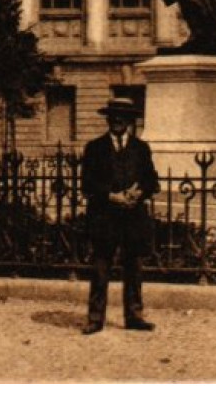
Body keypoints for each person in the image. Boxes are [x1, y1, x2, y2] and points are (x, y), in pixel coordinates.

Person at [81, 98, 160, 334]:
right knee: (100, 268)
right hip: (104, 217)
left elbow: (152, 180)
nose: (117, 120)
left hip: (133, 217)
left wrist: (138, 192)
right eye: (113, 116)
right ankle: (95, 318)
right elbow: (87, 184)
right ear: (107, 119)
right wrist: (111, 196)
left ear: (129, 121)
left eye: (122, 116)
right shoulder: (94, 148)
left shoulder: (141, 148)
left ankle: (134, 315)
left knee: (134, 268)